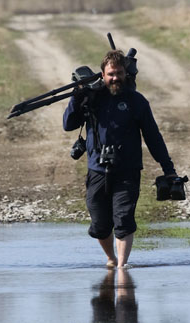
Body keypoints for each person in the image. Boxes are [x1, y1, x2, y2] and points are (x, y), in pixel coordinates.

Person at [63, 49, 178, 268]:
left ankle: (122, 266)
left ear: (126, 74)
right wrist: (76, 96)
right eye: (111, 74)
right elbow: (68, 124)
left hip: (127, 169)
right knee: (99, 224)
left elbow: (153, 137)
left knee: (124, 218)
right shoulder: (91, 98)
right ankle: (111, 258)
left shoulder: (137, 101)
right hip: (97, 169)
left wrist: (168, 169)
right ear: (102, 75)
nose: (115, 78)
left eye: (119, 73)